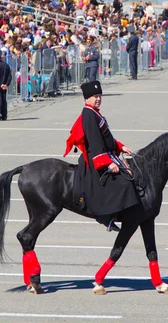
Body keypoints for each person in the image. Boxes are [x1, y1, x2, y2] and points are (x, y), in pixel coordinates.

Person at [64, 80, 140, 231]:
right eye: (95, 96)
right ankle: (106, 215)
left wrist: (120, 146)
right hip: (94, 157)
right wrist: (108, 163)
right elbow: (95, 142)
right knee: (122, 182)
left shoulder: (94, 113)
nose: (98, 99)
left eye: (99, 96)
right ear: (87, 99)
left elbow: (106, 138)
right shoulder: (88, 114)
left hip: (103, 152)